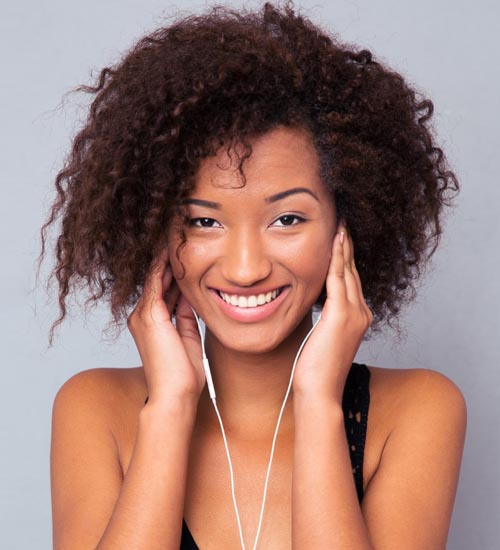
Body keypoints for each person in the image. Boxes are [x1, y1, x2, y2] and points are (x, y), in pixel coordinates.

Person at [42, 2, 467, 548]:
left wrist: (318, 401)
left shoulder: (416, 411)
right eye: (203, 220)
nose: (246, 269)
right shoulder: (95, 408)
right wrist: (169, 408)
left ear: (348, 221)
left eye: (287, 219)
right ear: (157, 234)